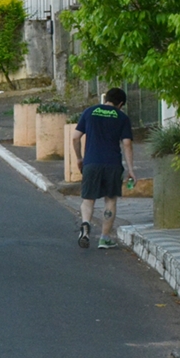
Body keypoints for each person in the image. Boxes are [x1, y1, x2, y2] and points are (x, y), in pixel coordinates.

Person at [71, 87, 136, 249]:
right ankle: (104, 238)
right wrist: (131, 170)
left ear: (105, 98)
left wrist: (79, 158)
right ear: (121, 104)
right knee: (110, 199)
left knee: (88, 199)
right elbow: (127, 144)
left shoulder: (89, 112)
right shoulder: (122, 117)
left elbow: (75, 137)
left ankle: (86, 225)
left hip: (91, 162)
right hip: (112, 164)